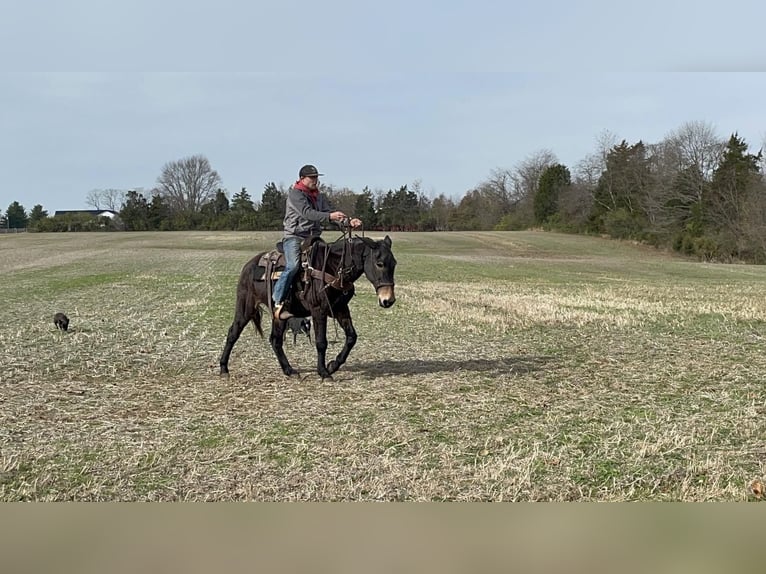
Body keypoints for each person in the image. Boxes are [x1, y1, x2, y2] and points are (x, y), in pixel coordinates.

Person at [272, 164, 362, 320]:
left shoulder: (318, 196)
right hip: (294, 237)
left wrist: (348, 222)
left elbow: (329, 213)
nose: (315, 180)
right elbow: (308, 214)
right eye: (312, 177)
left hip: (313, 238)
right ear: (302, 179)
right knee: (293, 266)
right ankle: (278, 302)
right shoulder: (295, 194)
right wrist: (330, 217)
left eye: (316, 177)